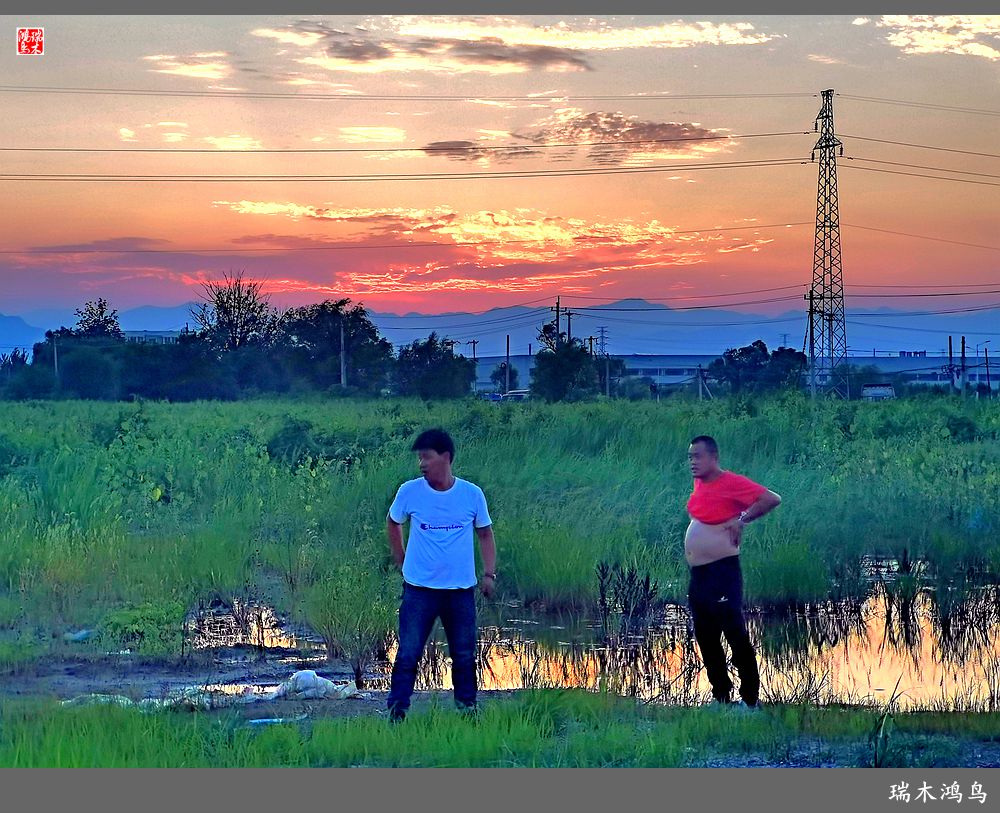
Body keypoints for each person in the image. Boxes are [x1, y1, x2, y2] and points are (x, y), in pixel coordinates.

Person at [385, 428, 497, 722]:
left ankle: (467, 711)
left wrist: (489, 574)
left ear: (445, 457)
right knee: (408, 653)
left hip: (459, 591)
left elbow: (485, 534)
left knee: (463, 655)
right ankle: (397, 713)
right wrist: (401, 558)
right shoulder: (409, 491)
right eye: (419, 458)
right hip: (419, 590)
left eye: (427, 457)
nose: (421, 464)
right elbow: (393, 522)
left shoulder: (471, 494)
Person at [685, 435, 781, 709]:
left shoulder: (731, 482)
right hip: (700, 575)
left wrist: (742, 520)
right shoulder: (700, 483)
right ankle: (721, 697)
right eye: (690, 457)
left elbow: (771, 499)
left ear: (713, 458)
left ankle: (750, 701)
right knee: (706, 636)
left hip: (723, 573)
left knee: (735, 634)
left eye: (698, 456)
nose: (693, 461)